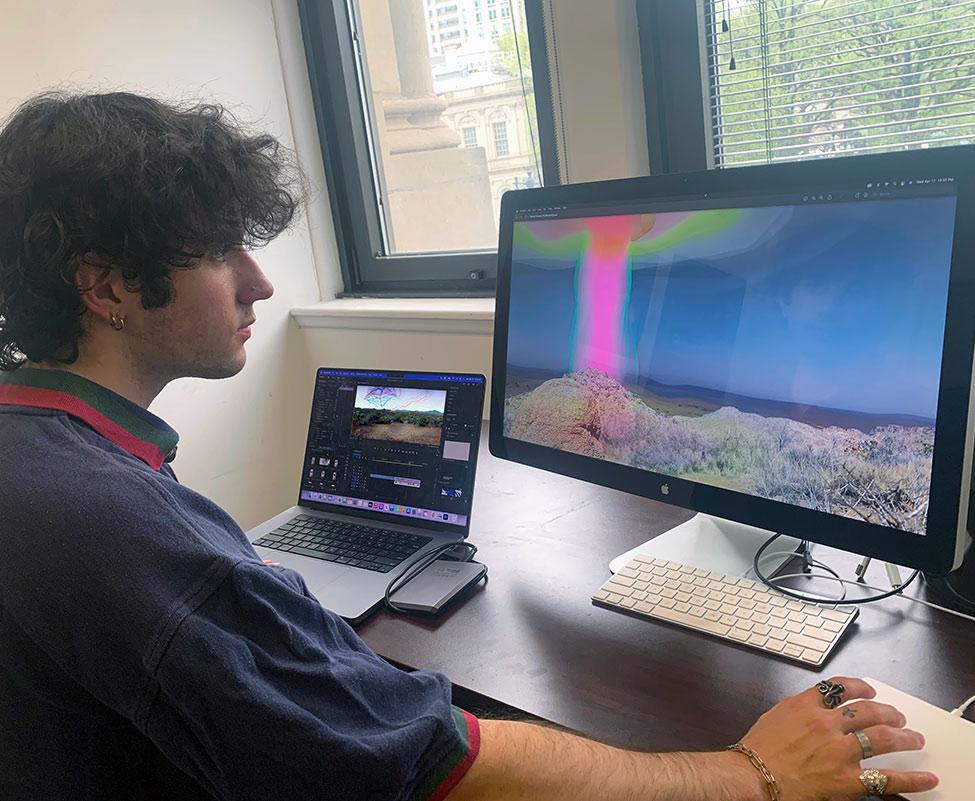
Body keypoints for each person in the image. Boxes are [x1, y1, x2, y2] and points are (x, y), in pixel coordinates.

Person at [0, 91, 938, 801]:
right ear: (107, 285)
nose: (258, 284)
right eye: (218, 254)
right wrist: (748, 772)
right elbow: (433, 761)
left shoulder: (45, 457)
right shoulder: (103, 519)